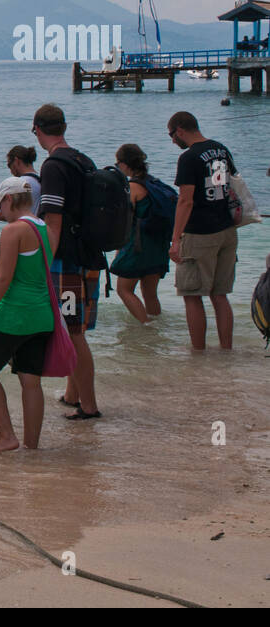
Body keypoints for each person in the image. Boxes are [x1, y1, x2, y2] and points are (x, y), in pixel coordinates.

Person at [0, 177, 55, 453]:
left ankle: (7, 436)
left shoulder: (13, 231)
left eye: (0, 205)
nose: (0, 212)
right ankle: (32, 445)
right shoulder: (48, 230)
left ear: (9, 200)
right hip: (42, 316)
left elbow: (3, 279)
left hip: (13, 315)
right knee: (31, 381)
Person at [33, 104, 104, 420]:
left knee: (73, 332)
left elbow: (53, 222)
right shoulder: (81, 159)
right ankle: (72, 393)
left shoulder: (52, 166)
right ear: (63, 127)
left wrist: (42, 264)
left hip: (67, 262)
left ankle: (88, 406)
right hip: (90, 256)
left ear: (37, 130)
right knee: (77, 329)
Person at [168, 111, 239, 350]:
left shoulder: (189, 158)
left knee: (192, 293)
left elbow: (185, 200)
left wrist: (175, 239)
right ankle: (226, 349)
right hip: (227, 229)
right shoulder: (221, 149)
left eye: (171, 136)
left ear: (180, 130)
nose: (172, 141)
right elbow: (231, 185)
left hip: (200, 232)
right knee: (220, 295)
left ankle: (198, 353)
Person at [109, 143, 169, 323]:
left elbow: (125, 221)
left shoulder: (132, 187)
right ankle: (156, 328)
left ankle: (145, 326)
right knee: (150, 294)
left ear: (125, 164)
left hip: (138, 246)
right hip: (158, 246)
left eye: (118, 163)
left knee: (123, 290)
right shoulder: (154, 183)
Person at [0, 146, 41, 219]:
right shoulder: (38, 180)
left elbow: (14, 213)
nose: (10, 171)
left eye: (9, 165)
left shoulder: (22, 183)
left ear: (16, 161)